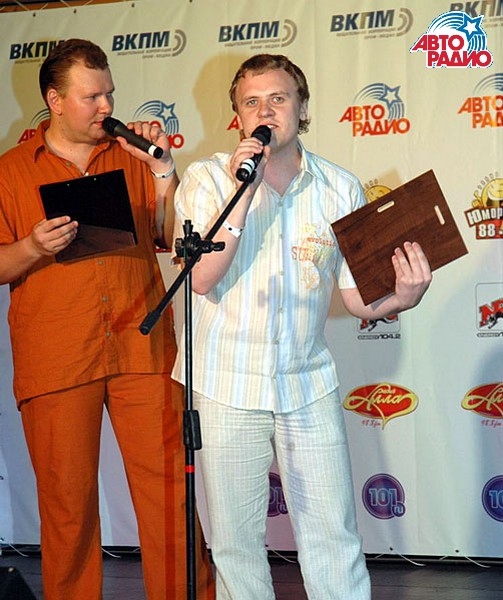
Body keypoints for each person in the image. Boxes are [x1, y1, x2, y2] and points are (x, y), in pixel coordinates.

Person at [172, 53, 432, 599]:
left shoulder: (340, 187)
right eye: (251, 102)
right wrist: (243, 193)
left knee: (332, 535)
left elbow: (357, 298)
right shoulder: (205, 179)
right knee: (235, 543)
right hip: (225, 385)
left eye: (278, 98)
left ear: (303, 108)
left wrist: (402, 297)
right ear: (238, 117)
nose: (265, 111)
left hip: (307, 384)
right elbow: (201, 279)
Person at [0, 39, 214, 600]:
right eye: (91, 96)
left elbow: (170, 236)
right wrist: (32, 247)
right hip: (56, 356)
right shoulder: (11, 171)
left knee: (169, 493)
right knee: (66, 506)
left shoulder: (132, 154)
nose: (106, 106)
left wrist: (163, 172)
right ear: (54, 100)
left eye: (110, 94)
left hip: (141, 346)